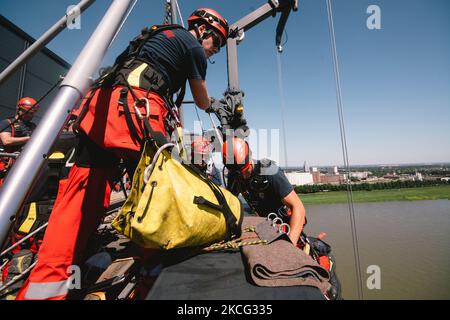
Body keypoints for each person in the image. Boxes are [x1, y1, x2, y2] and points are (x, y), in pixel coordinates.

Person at [17, 8, 229, 300]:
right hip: (137, 111)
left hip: (101, 110)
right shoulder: (192, 44)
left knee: (81, 200)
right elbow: (202, 100)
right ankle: (153, 285)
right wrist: (215, 105)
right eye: (216, 44)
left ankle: (44, 291)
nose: (213, 51)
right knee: (157, 197)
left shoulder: (155, 35)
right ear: (205, 30)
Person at [222, 138, 306, 245]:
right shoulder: (234, 175)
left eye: (245, 171)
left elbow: (298, 207)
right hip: (263, 224)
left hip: (282, 223)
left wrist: (291, 244)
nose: (243, 176)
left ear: (250, 157)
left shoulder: (269, 170)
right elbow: (230, 202)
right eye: (237, 173)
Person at [0, 97, 39, 187]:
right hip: (8, 163)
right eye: (28, 113)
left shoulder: (33, 126)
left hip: (25, 163)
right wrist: (30, 138)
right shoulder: (7, 123)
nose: (31, 115)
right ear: (19, 110)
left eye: (32, 113)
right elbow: (6, 141)